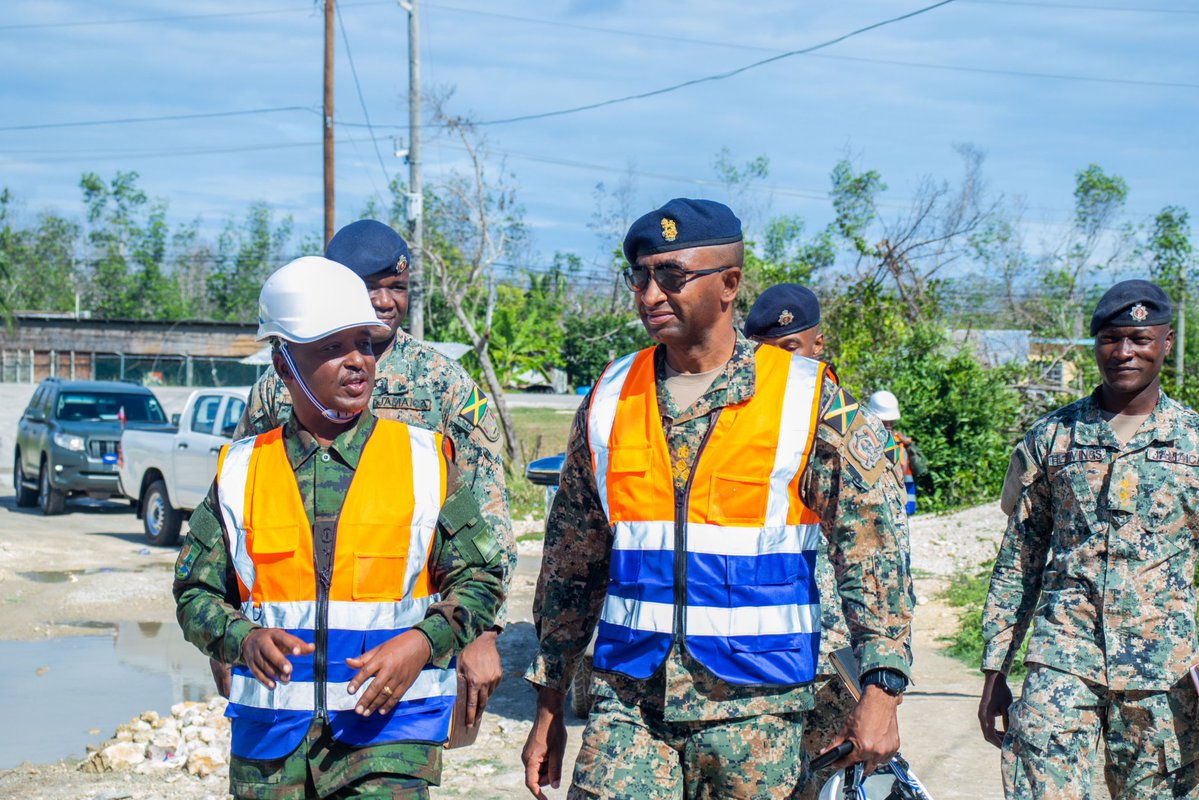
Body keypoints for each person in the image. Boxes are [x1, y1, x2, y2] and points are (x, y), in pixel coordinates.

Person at [521, 198, 914, 799]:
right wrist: (549, 706)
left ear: (729, 283)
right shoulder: (609, 397)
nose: (651, 294)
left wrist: (882, 691)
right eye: (640, 276)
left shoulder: (808, 401)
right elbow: (571, 564)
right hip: (629, 704)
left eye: (672, 276)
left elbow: (874, 554)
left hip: (759, 711)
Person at [174, 255, 504, 799]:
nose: (358, 362)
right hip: (271, 750)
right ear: (284, 365)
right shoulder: (240, 470)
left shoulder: (425, 462)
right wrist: (242, 639)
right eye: (333, 348)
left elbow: (481, 581)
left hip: (389, 742)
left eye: (366, 344)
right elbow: (195, 593)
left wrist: (423, 643)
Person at [221, 219, 513, 727]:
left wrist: (485, 631)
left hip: (407, 661)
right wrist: (228, 639)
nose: (384, 302)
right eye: (367, 287)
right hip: (293, 670)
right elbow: (240, 516)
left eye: (396, 287)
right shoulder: (278, 383)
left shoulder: (443, 383)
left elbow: (486, 513)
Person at [978, 279, 1199, 798]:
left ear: (1166, 343)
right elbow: (1019, 561)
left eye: (1141, 338)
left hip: (1164, 672)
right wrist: (995, 670)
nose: (1125, 352)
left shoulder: (1193, 441)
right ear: (1095, 343)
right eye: (1111, 338)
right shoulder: (1052, 437)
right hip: (1062, 657)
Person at [744, 282, 856, 800]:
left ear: (818, 345)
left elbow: (870, 553)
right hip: (761, 636)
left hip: (831, 643)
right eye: (764, 352)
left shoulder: (840, 422)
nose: (776, 364)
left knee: (832, 767)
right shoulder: (738, 422)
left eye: (789, 349)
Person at [866, 391, 927, 516]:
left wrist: (909, 445)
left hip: (902, 498)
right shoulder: (866, 441)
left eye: (891, 421)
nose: (888, 425)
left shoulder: (901, 442)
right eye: (885, 421)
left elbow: (918, 469)